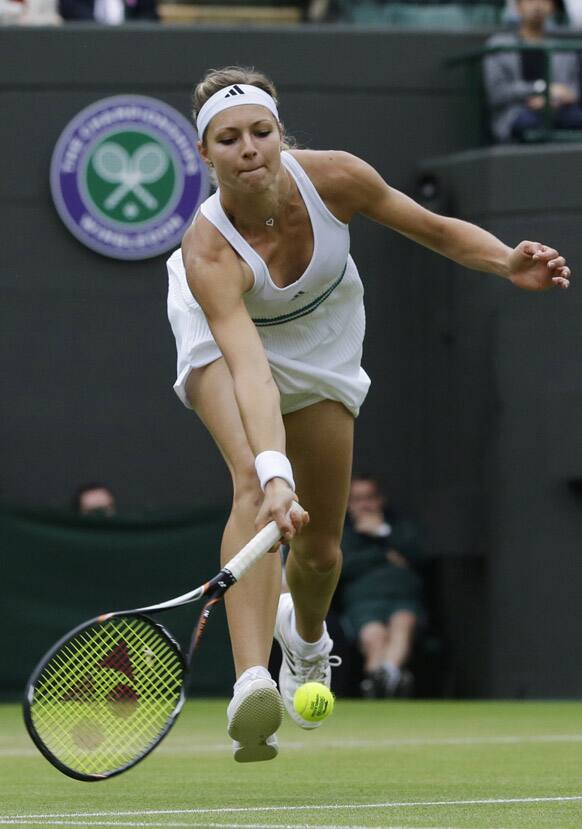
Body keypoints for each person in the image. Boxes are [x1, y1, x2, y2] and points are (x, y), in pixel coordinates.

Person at [166, 65, 571, 763]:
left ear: (279, 131)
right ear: (205, 154)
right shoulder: (205, 252)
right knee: (251, 485)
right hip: (233, 342)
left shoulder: (336, 178)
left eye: (261, 131)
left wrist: (507, 261)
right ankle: (251, 682)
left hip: (323, 334)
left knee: (320, 549)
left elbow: (437, 229)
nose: (250, 148)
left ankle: (307, 638)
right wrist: (272, 472)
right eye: (229, 139)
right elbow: (251, 373)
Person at [339, 475, 424, 698]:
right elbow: (343, 567)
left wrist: (382, 533)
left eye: (369, 498)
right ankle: (383, 684)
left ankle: (383, 679)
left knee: (402, 624)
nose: (364, 505)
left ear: (380, 500)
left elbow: (418, 556)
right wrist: (386, 554)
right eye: (356, 499)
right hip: (363, 604)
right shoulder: (342, 536)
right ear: (347, 504)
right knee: (374, 637)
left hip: (403, 600)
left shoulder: (400, 529)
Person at [484, 0, 582, 142]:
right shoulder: (499, 46)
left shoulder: (564, 50)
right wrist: (540, 89)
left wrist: (554, 100)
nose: (537, 5)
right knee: (528, 124)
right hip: (517, 112)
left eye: (544, 1)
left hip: (559, 109)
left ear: (552, 7)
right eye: (530, 0)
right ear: (518, 6)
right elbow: (498, 93)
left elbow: (573, 90)